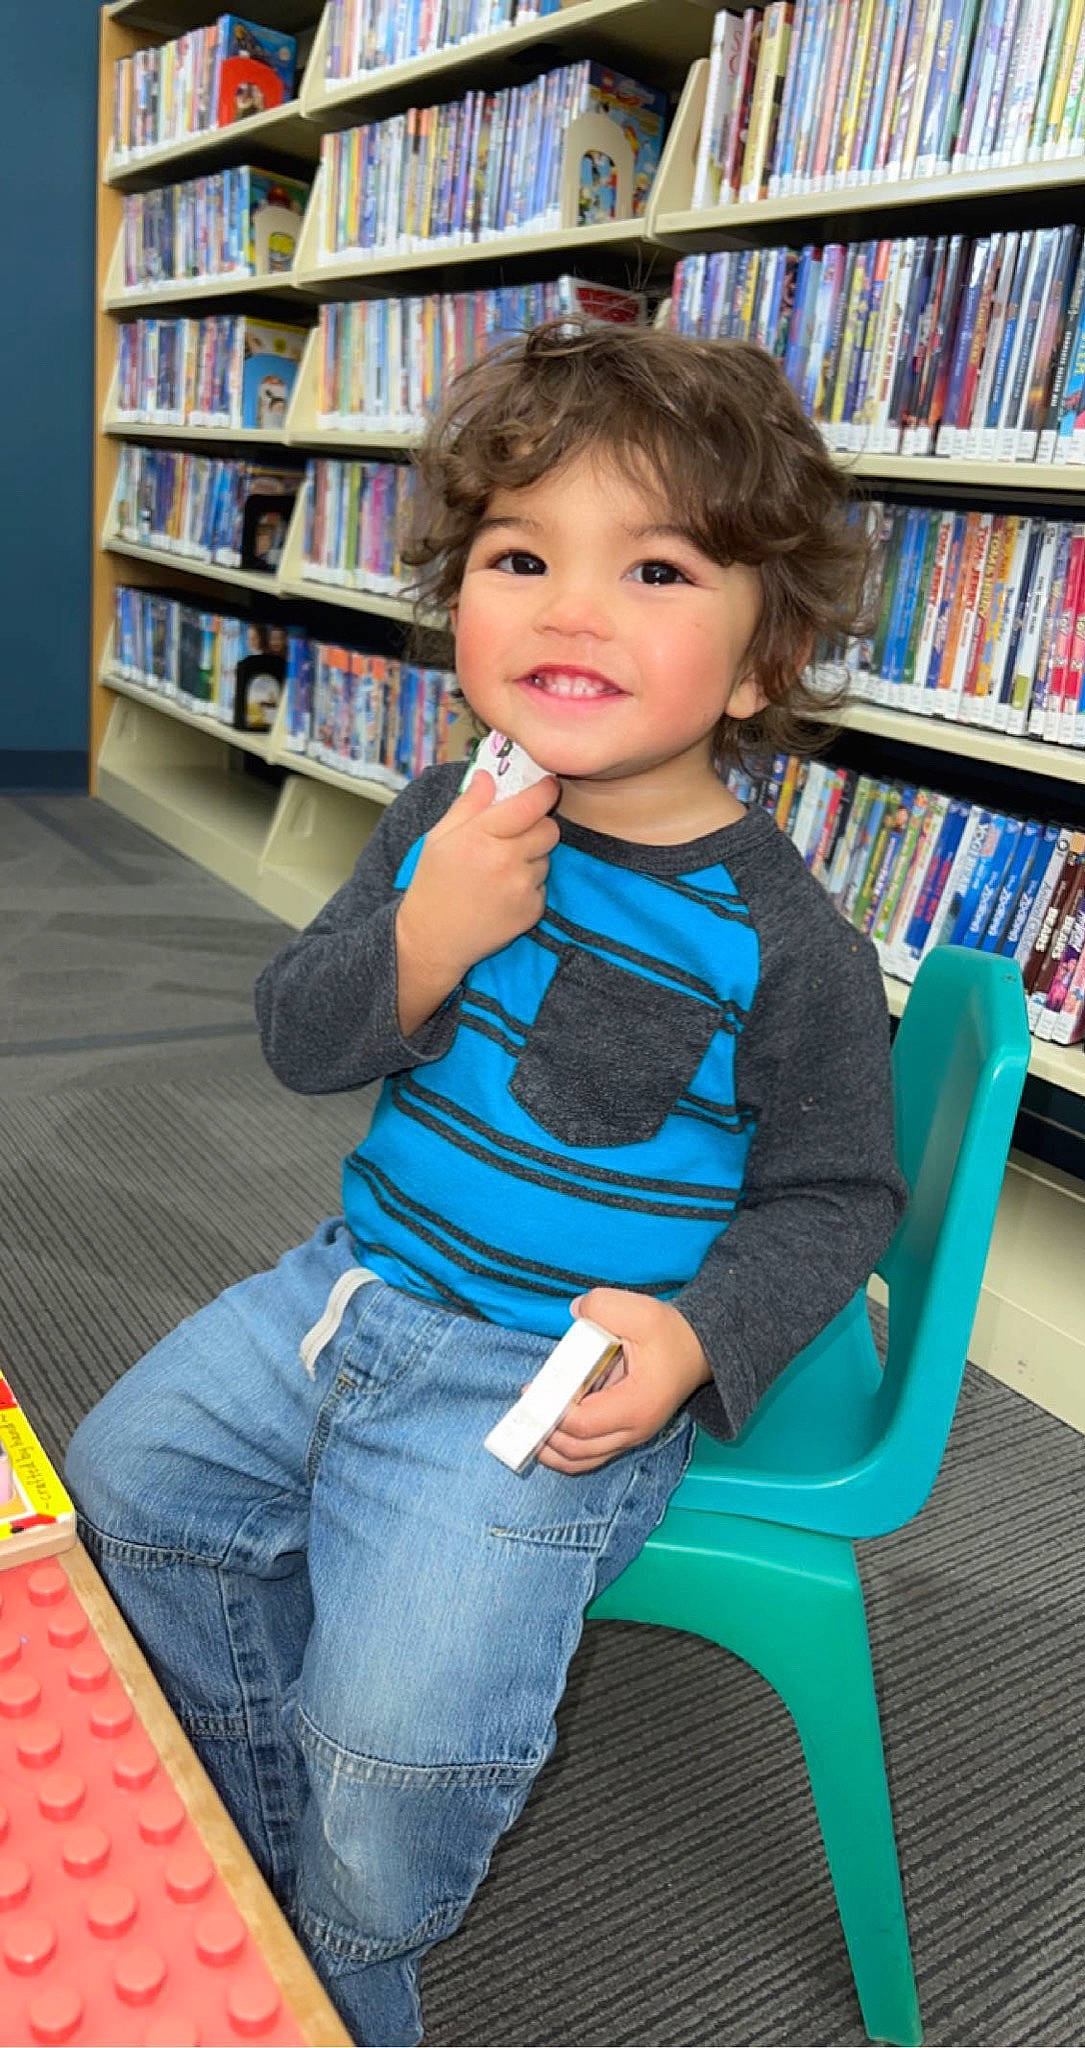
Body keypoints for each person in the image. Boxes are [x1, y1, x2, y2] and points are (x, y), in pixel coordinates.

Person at [66, 323, 906, 2046]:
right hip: (352, 1286)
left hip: (546, 1382)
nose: (569, 607)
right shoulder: (447, 808)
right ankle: (282, 1853)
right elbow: (306, 1045)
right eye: (520, 556)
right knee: (129, 1483)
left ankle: (356, 1955)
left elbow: (834, 1196)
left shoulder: (785, 943)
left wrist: (689, 1345)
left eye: (653, 567)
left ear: (763, 664)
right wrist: (428, 922)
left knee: (402, 1735)